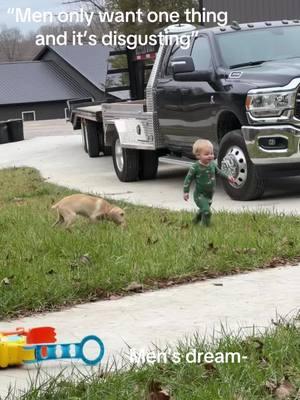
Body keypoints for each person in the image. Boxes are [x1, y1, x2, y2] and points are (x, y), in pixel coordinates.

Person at [183, 139, 235, 226]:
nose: (210, 156)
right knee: (207, 212)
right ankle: (205, 229)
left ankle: (195, 221)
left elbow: (219, 172)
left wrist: (228, 177)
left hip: (209, 194)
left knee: (203, 210)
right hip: (200, 195)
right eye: (206, 154)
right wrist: (186, 191)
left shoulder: (212, 165)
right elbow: (188, 179)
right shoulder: (195, 167)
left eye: (211, 153)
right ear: (198, 155)